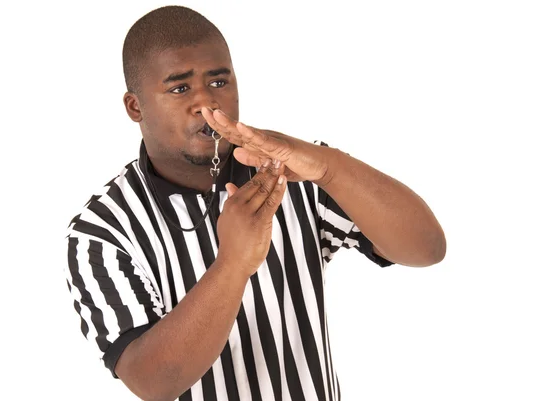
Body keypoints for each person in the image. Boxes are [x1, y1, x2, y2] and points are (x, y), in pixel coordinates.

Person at [64, 5, 446, 401]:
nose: (206, 103)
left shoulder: (296, 171)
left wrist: (329, 170)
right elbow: (153, 381)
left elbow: (427, 248)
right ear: (135, 107)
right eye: (179, 88)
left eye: (218, 81)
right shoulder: (102, 230)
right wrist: (233, 263)